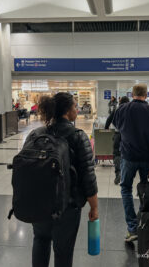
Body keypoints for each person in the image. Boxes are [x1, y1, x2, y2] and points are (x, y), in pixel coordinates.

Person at [32, 92, 98, 267]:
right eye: (75, 106)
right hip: (67, 206)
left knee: (40, 241)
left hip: (38, 203)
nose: (77, 109)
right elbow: (88, 177)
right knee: (63, 251)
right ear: (68, 111)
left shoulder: (36, 134)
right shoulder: (78, 136)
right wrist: (94, 206)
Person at [113, 84, 149, 242]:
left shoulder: (122, 109)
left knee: (125, 188)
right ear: (146, 95)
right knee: (146, 191)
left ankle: (132, 228)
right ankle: (143, 223)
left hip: (128, 156)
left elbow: (117, 126)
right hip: (147, 158)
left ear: (132, 94)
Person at [105, 96, 130, 185]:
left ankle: (118, 173)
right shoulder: (131, 110)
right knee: (127, 154)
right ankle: (126, 174)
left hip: (117, 135)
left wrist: (106, 127)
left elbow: (109, 119)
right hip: (128, 136)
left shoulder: (117, 109)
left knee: (116, 154)